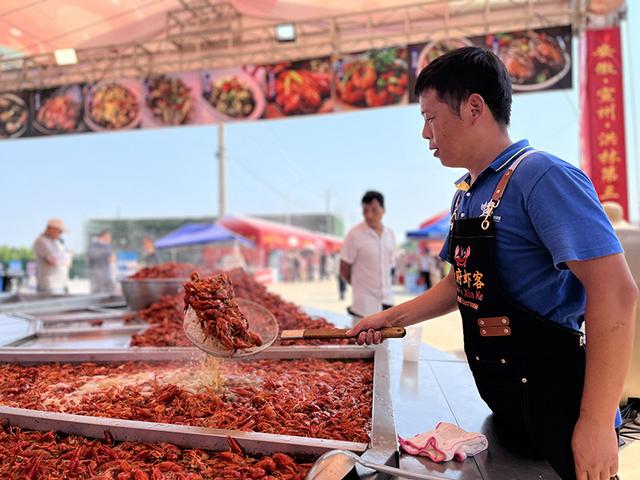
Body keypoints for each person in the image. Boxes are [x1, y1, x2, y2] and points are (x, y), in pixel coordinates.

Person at [348, 47, 637, 480]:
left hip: (564, 408)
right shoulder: (466, 193)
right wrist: (387, 318)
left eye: (431, 117)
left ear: (474, 107)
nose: (426, 134)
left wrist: (594, 424)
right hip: (507, 405)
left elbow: (616, 293)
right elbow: (457, 285)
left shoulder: (542, 176)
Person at [340, 191, 396, 324]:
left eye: (374, 210)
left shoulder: (390, 235)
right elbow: (344, 269)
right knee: (362, 343)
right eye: (365, 210)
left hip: (387, 301)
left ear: (383, 210)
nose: (369, 215)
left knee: (385, 343)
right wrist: (360, 285)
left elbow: (390, 266)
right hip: (363, 305)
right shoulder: (354, 234)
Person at [32, 218, 72, 294]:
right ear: (51, 229)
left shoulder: (57, 243)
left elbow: (68, 263)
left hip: (62, 285)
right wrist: (66, 257)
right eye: (60, 231)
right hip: (50, 287)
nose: (61, 233)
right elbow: (54, 261)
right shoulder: (41, 241)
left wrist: (66, 258)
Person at [86, 230, 116, 294]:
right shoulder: (106, 246)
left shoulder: (92, 246)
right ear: (104, 236)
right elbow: (112, 259)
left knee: (96, 295)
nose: (110, 239)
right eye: (109, 237)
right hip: (104, 275)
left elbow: (88, 259)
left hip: (95, 275)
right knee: (108, 294)